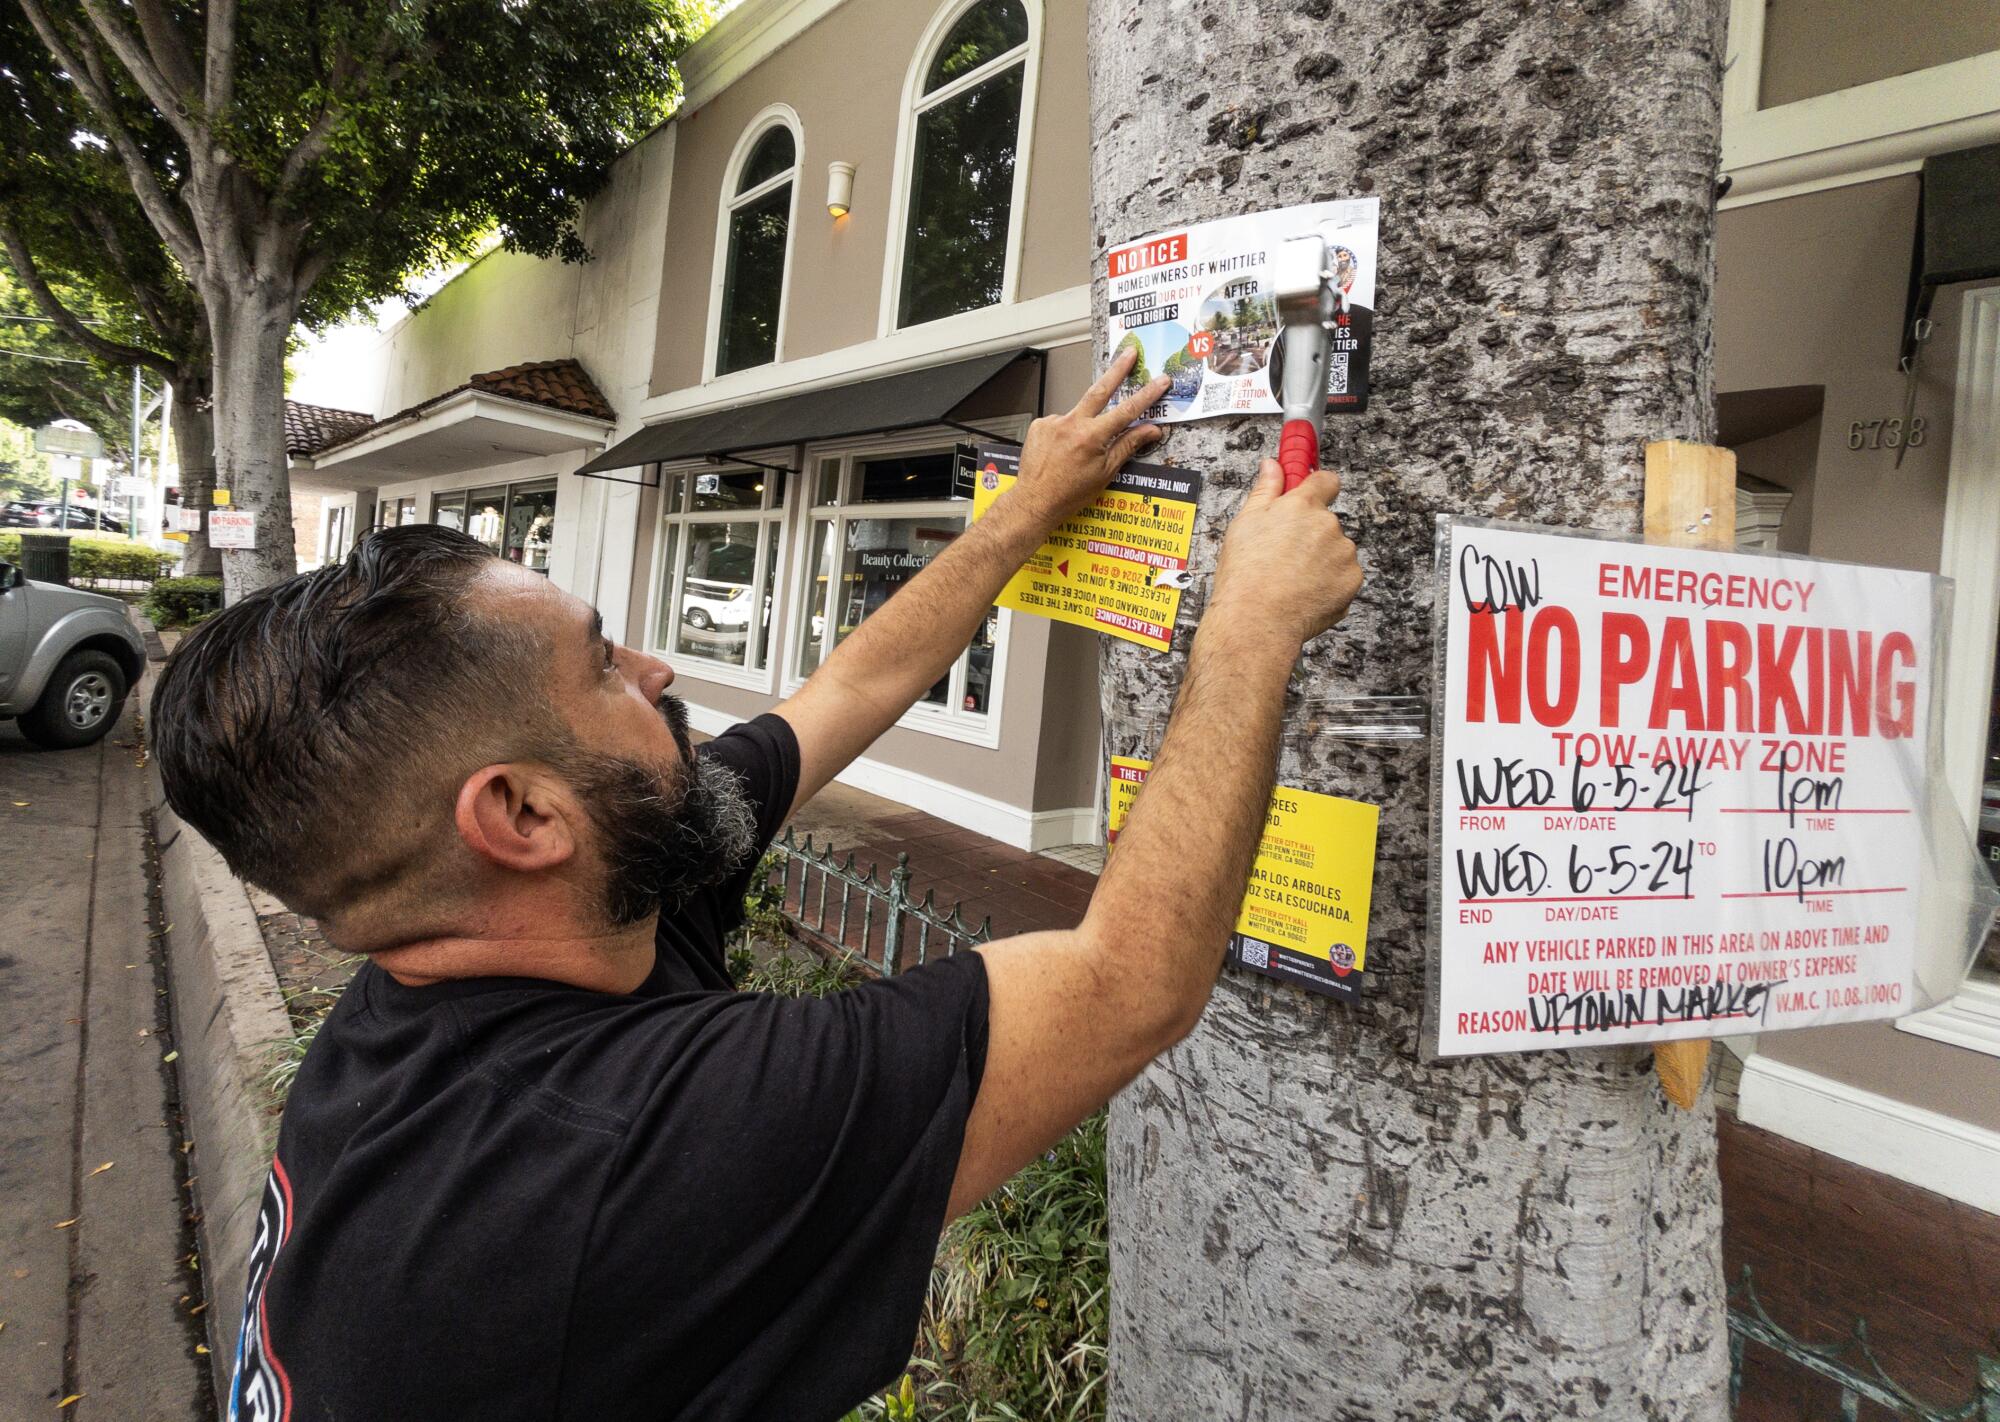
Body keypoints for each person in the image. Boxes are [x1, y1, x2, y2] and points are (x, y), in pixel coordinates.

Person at [150, 345, 1363, 1422]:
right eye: (603, 668)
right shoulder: (623, 1144)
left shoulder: (531, 918)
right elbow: (1127, 982)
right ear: (520, 816)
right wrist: (1251, 622)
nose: (657, 664)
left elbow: (839, 696)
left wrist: (1020, 514)